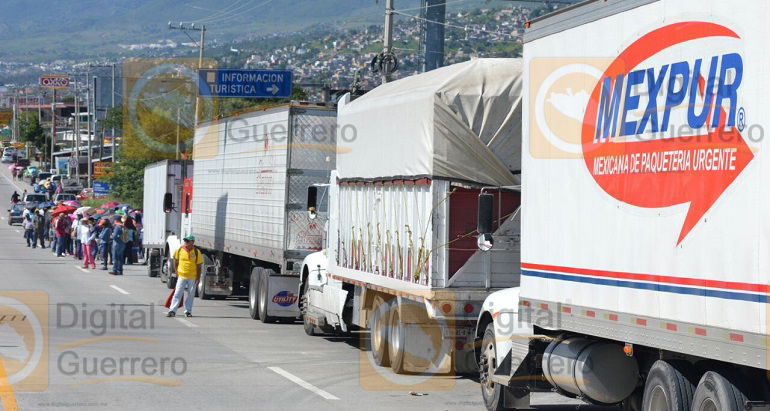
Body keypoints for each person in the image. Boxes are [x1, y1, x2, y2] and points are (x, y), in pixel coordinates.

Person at [167, 235, 203, 318]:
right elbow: (175, 261)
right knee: (177, 293)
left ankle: (188, 311)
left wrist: (198, 278)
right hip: (182, 276)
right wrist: (177, 272)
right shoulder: (179, 250)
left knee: (190, 295)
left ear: (192, 242)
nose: (185, 242)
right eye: (185, 240)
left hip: (192, 277)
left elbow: (199, 266)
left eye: (187, 241)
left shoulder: (197, 252)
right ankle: (172, 310)